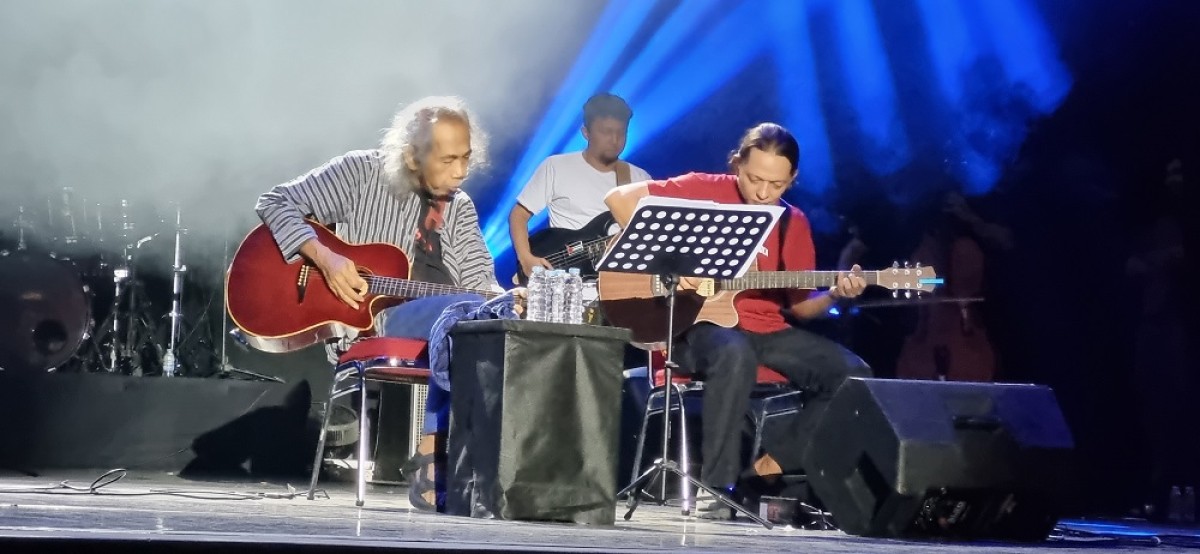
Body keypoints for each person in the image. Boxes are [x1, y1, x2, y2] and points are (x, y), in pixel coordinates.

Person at [604, 122, 872, 518]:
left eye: (777, 185)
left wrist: (834, 293)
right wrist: (683, 267)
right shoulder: (703, 188)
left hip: (765, 329)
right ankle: (717, 487)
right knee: (735, 352)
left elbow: (799, 309)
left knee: (855, 375)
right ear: (736, 165)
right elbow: (619, 199)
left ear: (792, 179)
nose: (764, 193)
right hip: (696, 325)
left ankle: (768, 467)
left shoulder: (791, 221)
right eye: (754, 179)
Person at [254, 96, 501, 511]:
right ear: (410, 155)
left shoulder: (460, 206)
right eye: (447, 160)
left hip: (448, 314)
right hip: (373, 320)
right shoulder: (360, 172)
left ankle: (479, 465)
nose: (460, 172)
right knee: (466, 316)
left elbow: (480, 282)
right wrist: (326, 258)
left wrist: (510, 299)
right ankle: (432, 457)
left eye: (465, 158)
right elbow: (275, 202)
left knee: (490, 317)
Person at [508, 93, 651, 280]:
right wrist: (526, 258)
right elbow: (518, 215)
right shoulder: (556, 166)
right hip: (567, 280)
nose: (615, 140)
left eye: (621, 132)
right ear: (586, 132)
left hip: (619, 282)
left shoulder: (641, 179)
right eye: (606, 132)